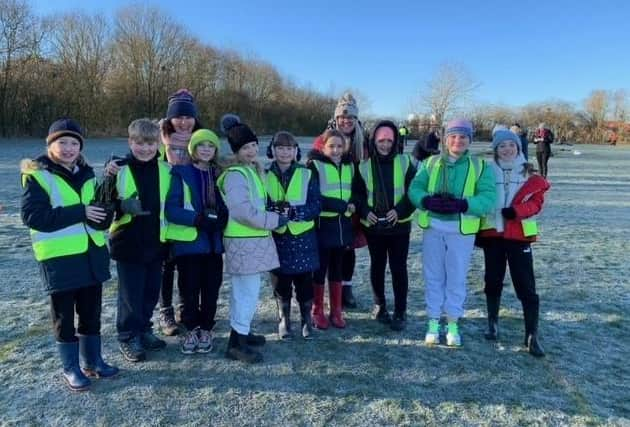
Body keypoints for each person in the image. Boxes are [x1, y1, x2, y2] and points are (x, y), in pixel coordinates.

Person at [21, 118, 118, 391]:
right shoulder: (38, 176)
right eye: (61, 142)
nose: (68, 148)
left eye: (73, 143)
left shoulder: (87, 174)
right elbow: (33, 216)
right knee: (64, 317)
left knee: (91, 313)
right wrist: (80, 212)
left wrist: (106, 207)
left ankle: (93, 360)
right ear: (50, 145)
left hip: (91, 257)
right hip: (60, 261)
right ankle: (70, 368)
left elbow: (99, 213)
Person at [408, 119, 495, 347]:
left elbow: (488, 198)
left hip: (461, 230)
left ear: (469, 140)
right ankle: (433, 322)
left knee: (456, 278)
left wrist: (464, 205)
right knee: (433, 276)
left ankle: (453, 322)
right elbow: (414, 188)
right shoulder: (430, 163)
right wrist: (425, 200)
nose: (458, 141)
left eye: (463, 137)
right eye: (453, 136)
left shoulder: (480, 166)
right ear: (445, 139)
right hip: (434, 228)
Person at [217, 114, 287, 363]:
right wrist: (274, 221)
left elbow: (257, 204)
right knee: (245, 293)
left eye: (254, 145)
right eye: (246, 147)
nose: (252, 150)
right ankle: (236, 344)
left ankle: (243, 333)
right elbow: (242, 212)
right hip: (243, 241)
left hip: (253, 242)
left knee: (248, 292)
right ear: (236, 150)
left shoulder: (251, 171)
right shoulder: (237, 174)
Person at [476, 130, 550, 357]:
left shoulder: (529, 172)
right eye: (502, 146)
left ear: (518, 147)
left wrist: (516, 211)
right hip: (493, 235)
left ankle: (531, 335)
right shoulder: (486, 171)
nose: (507, 149)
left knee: (525, 284)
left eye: (511, 145)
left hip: (519, 236)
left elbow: (536, 203)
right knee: (493, 280)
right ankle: (492, 323)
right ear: (495, 150)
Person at [107, 118, 171, 362]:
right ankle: (127, 335)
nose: (145, 148)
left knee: (150, 292)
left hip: (157, 241)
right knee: (130, 295)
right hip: (128, 242)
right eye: (139, 143)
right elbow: (101, 203)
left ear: (158, 144)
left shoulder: (165, 169)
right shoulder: (117, 168)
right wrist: (120, 205)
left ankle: (144, 329)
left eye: (150, 143)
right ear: (130, 142)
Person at [165, 129, 227, 354]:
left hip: (213, 245)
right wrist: (196, 219)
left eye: (210, 146)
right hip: (190, 243)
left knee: (212, 288)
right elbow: (171, 209)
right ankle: (191, 327)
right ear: (193, 149)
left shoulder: (219, 174)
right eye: (201, 145)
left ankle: (207, 328)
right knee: (189, 289)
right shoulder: (180, 173)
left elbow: (227, 204)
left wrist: (223, 217)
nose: (206, 150)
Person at [355, 121, 417, 331]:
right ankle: (380, 306)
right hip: (373, 226)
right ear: (374, 140)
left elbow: (414, 193)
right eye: (381, 140)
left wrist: (399, 211)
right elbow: (358, 194)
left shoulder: (406, 162)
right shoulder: (363, 166)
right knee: (378, 265)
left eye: (390, 140)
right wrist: (365, 211)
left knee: (399, 268)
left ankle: (400, 310)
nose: (385, 144)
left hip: (399, 226)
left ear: (396, 141)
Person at [313, 92, 368, 308]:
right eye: (343, 117)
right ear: (336, 119)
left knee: (348, 248)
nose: (347, 121)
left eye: (351, 118)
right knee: (326, 252)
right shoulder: (324, 139)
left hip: (352, 204)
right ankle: (322, 294)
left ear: (356, 120)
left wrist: (359, 202)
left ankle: (346, 288)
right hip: (329, 209)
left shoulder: (363, 142)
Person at [265, 131, 321, 340]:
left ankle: (306, 319)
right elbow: (260, 202)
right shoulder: (264, 174)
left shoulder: (306, 173)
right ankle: (284, 319)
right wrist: (274, 210)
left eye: (289, 148)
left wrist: (297, 213)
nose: (285, 152)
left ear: (296, 151)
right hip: (278, 236)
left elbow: (316, 204)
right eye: (280, 148)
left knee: (305, 282)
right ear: (272, 150)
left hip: (302, 236)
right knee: (281, 282)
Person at [157, 89, 203, 336]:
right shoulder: (157, 141)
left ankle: (187, 309)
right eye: (178, 117)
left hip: (190, 217)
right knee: (166, 267)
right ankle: (165, 311)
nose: (184, 122)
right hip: (163, 217)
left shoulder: (201, 140)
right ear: (169, 119)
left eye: (188, 117)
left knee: (187, 267)